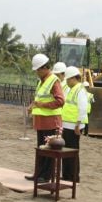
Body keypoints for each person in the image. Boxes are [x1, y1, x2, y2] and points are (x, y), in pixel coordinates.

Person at [25, 53, 65, 183]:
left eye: (37, 70)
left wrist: (43, 105)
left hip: (51, 121)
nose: (36, 72)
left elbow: (60, 101)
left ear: (43, 68)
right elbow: (38, 99)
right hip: (41, 121)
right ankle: (38, 173)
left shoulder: (53, 81)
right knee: (41, 149)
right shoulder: (42, 82)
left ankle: (46, 176)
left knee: (48, 150)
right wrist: (32, 106)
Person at [61, 66, 88, 182]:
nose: (66, 82)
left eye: (68, 79)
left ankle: (73, 176)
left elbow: (82, 109)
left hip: (74, 127)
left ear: (73, 78)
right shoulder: (71, 88)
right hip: (67, 125)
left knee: (72, 152)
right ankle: (67, 175)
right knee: (65, 151)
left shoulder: (80, 89)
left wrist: (78, 125)